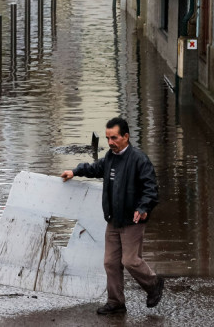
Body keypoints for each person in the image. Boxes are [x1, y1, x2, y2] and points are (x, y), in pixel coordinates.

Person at [61, 116, 163, 315]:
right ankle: (116, 302)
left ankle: (154, 283)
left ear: (126, 136)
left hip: (133, 221)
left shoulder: (139, 160)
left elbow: (151, 190)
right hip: (113, 220)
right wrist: (74, 171)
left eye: (114, 138)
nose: (110, 142)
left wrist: (143, 209)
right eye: (108, 138)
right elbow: (94, 168)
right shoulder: (110, 158)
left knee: (130, 261)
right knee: (110, 262)